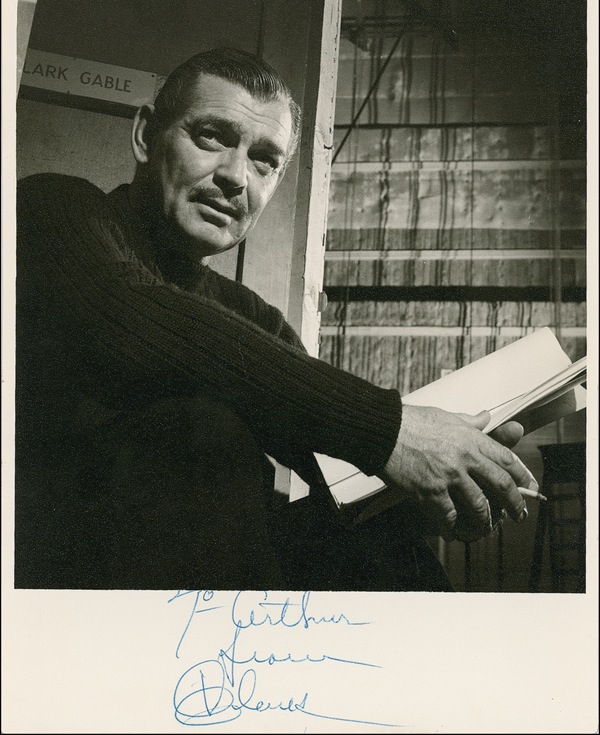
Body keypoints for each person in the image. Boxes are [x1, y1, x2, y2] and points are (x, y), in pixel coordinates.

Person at [15, 47, 537, 591]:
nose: (235, 176)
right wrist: (391, 429)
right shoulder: (49, 208)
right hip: (54, 576)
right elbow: (134, 316)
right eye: (212, 136)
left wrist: (442, 481)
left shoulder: (249, 316)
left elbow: (332, 458)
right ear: (146, 135)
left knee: (381, 543)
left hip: (202, 582)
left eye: (264, 160)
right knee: (200, 430)